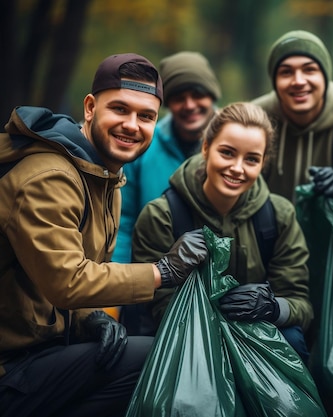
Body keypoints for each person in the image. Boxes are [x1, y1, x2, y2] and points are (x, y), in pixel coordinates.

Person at [0, 53, 207, 417]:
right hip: (10, 366)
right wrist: (163, 272)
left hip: (36, 352)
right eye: (120, 110)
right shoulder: (50, 176)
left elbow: (60, 283)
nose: (132, 125)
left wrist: (89, 318)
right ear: (91, 107)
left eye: (146, 116)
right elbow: (67, 281)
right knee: (160, 359)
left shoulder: (104, 175)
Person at [131, 102, 313, 362]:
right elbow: (156, 307)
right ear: (206, 148)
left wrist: (273, 308)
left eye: (251, 159)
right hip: (187, 341)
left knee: (292, 338)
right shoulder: (161, 216)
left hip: (258, 335)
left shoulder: (279, 215)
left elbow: (300, 304)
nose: (237, 168)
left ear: (263, 163)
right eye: (227, 153)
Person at [113, 50, 221, 264]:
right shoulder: (143, 145)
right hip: (155, 274)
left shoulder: (236, 142)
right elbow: (124, 220)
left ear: (212, 96)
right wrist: (121, 281)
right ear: (167, 103)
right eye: (179, 98)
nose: (189, 105)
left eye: (198, 94)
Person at [251, 30, 333, 207]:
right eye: (286, 72)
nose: (299, 81)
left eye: (309, 70)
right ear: (275, 82)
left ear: (325, 77)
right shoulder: (253, 121)